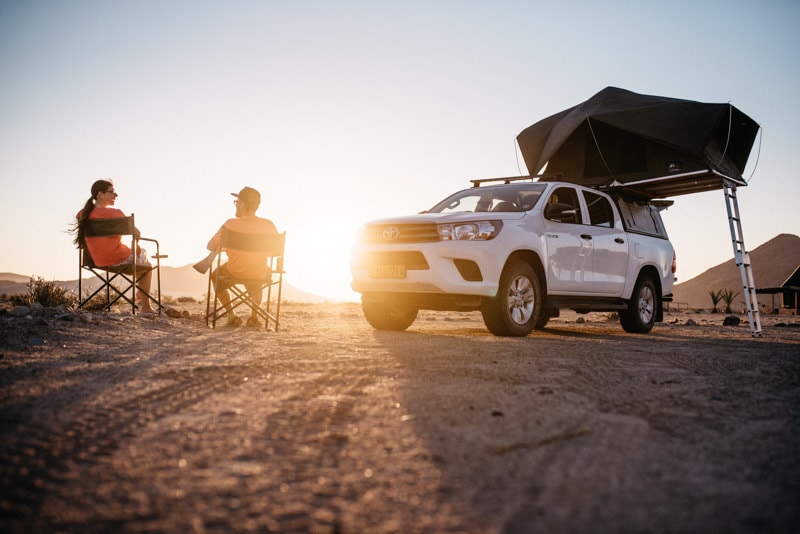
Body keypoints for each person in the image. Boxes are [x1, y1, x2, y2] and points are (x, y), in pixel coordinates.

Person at [73, 179, 155, 313]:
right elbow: (137, 233)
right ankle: (146, 306)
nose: (115, 195)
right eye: (112, 192)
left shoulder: (83, 214)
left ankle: (141, 294)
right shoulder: (116, 214)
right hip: (118, 259)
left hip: (95, 260)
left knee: (140, 262)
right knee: (147, 266)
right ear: (100, 194)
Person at [207, 186, 278, 327]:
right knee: (256, 278)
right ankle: (253, 317)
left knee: (215, 276)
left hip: (233, 271)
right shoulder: (268, 225)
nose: (236, 205)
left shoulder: (230, 225)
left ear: (243, 204)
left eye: (237, 202)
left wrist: (230, 247)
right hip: (260, 272)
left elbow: (210, 246)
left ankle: (231, 316)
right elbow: (275, 252)